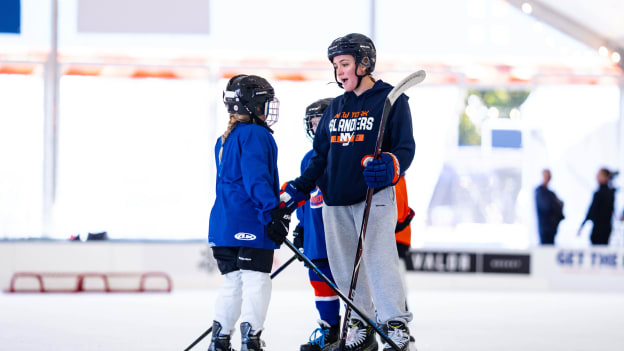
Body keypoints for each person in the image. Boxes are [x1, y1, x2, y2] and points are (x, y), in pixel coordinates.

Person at [270, 33, 415, 351]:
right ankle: (360, 324)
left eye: (345, 64)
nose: (339, 72)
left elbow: (405, 148)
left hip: (373, 196)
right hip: (335, 200)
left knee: (379, 260)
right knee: (344, 266)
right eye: (336, 66)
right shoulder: (336, 107)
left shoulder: (390, 101)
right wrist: (296, 193)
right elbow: (320, 158)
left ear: (365, 63)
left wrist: (392, 164)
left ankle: (395, 326)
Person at [207, 74, 290, 351]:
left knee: (232, 284)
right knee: (256, 280)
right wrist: (272, 212)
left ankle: (219, 340)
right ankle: (250, 339)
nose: (267, 108)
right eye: (264, 102)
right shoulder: (255, 134)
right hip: (250, 222)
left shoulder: (224, 139)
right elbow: (256, 180)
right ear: (252, 104)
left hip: (222, 226)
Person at [294, 98, 342, 351]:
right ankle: (329, 329)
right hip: (316, 236)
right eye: (312, 124)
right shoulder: (308, 159)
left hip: (342, 236)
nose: (316, 129)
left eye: (320, 123)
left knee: (350, 286)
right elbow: (305, 196)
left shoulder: (346, 156)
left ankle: (357, 330)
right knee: (320, 282)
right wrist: (302, 227)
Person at [578, 168, 616, 245]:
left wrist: (582, 225)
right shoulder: (610, 193)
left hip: (600, 229)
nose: (596, 177)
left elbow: (592, 210)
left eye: (599, 175)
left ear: (606, 177)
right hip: (605, 228)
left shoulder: (601, 193)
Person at [534, 169, 564, 245]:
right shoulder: (540, 191)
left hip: (552, 228)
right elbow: (546, 207)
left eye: (549, 176)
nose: (547, 178)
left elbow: (560, 204)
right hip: (545, 229)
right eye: (546, 176)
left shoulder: (551, 193)